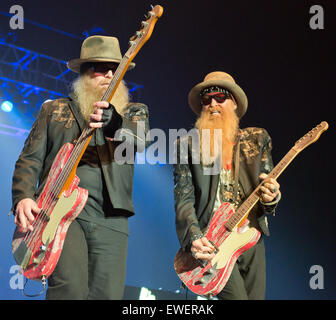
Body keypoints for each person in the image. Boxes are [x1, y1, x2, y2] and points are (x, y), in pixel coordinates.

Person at [11, 35, 149, 299]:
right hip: (60, 211)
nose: (109, 74)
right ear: (85, 72)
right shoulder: (54, 110)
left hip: (111, 217)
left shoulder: (134, 113)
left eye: (114, 69)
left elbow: (139, 142)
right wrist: (23, 196)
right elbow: (30, 157)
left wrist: (113, 123)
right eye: (100, 67)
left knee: (107, 294)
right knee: (69, 288)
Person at [173, 71, 281, 300]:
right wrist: (194, 237)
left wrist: (272, 197)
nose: (212, 103)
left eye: (220, 97)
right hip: (214, 240)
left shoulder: (257, 139)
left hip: (250, 237)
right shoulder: (187, 145)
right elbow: (184, 198)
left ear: (234, 103)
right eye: (206, 99)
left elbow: (268, 196)